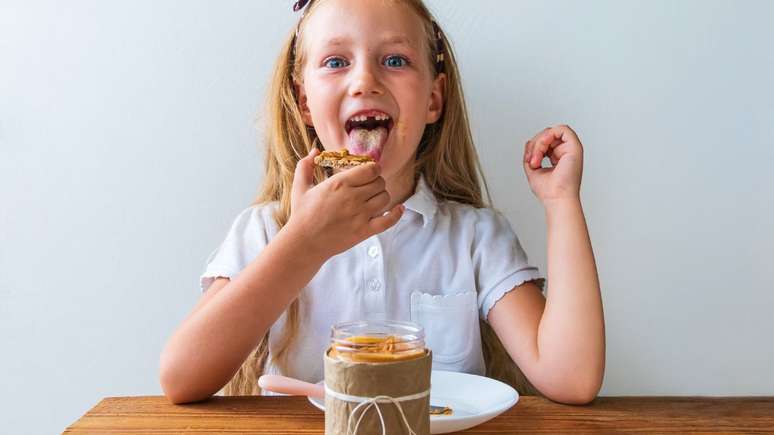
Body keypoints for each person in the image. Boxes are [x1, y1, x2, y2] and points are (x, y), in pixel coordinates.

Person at [160, 0, 605, 406]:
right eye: (336, 62)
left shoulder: (474, 238)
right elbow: (181, 378)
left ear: (433, 99)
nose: (365, 81)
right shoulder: (266, 231)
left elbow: (572, 378)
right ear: (304, 103)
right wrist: (304, 243)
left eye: (394, 60)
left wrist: (561, 201)